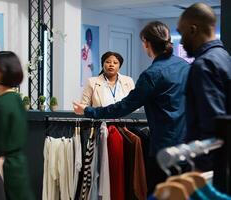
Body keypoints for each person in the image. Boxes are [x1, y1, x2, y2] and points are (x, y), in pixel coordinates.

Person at [73, 21, 190, 194]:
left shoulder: (152, 74)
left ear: (147, 44)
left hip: (164, 148)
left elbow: (124, 107)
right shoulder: (185, 66)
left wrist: (88, 111)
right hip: (188, 144)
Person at [178, 3, 231, 190]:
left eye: (181, 33)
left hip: (210, 170)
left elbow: (212, 124)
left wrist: (200, 171)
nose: (181, 42)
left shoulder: (204, 65)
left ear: (193, 30)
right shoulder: (224, 57)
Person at [0, 51, 34, 199]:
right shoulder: (16, 99)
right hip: (18, 166)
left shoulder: (1, 103)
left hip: (6, 169)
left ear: (3, 71)